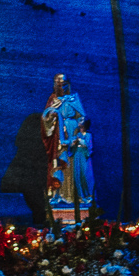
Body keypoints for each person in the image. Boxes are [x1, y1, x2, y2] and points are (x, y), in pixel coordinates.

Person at [44, 72, 92, 213]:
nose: (61, 87)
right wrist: (53, 117)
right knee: (59, 165)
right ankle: (59, 196)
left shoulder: (74, 98)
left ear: (68, 84)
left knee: (75, 167)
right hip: (58, 136)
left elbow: (82, 118)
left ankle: (76, 196)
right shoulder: (53, 100)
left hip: (73, 134)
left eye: (64, 84)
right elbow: (45, 119)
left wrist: (77, 135)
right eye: (58, 84)